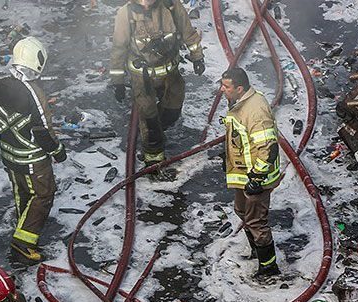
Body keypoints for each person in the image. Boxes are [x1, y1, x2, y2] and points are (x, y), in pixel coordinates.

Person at [0, 37, 66, 265]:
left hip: (8, 154)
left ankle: (24, 223)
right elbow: (42, 131)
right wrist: (58, 151)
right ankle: (23, 244)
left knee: (22, 192)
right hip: (32, 158)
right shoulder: (34, 92)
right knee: (43, 194)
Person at [109, 0, 205, 167]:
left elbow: (188, 32)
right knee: (149, 119)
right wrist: (117, 80)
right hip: (142, 78)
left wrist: (197, 57)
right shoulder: (126, 14)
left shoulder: (171, 6)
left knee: (173, 112)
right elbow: (119, 47)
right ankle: (153, 162)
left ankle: (156, 131)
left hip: (171, 74)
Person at [219, 67, 281, 279]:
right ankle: (256, 249)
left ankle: (268, 267)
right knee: (241, 210)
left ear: (239, 88)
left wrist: (257, 177)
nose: (221, 90)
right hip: (244, 172)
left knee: (256, 221)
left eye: (226, 87)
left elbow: (267, 148)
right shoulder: (240, 104)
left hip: (256, 177)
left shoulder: (254, 111)